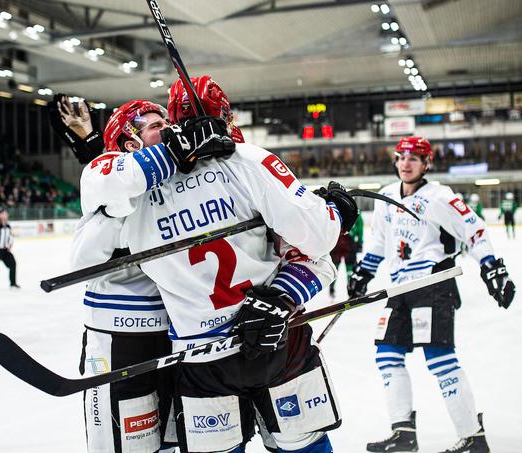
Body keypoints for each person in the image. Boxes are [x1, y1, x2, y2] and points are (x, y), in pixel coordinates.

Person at [80, 86, 361, 451]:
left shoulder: (132, 199)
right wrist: (335, 215)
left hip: (202, 357)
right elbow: (316, 247)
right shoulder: (246, 159)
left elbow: (100, 197)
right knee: (304, 443)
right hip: (278, 339)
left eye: (165, 120)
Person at [53, 96, 234, 453]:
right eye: (155, 125)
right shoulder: (107, 175)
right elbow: (82, 261)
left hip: (173, 330)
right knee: (125, 445)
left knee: (170, 440)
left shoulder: (174, 179)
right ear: (129, 142)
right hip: (119, 335)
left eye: (167, 123)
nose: (168, 129)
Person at [347, 136, 516, 453]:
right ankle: (404, 434)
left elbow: (474, 229)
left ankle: (473, 438)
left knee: (439, 360)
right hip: (400, 290)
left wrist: (492, 267)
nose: (406, 164)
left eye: (414, 158)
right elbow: (379, 244)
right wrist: (363, 273)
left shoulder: (440, 197)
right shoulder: (385, 197)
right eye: (402, 157)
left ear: (427, 164)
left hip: (433, 285)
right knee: (386, 356)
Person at [328, 212, 363, 298]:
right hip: (346, 243)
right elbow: (360, 228)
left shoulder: (333, 209)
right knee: (346, 268)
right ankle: (350, 289)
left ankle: (335, 288)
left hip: (339, 242)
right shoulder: (356, 211)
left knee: (338, 267)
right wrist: (360, 242)